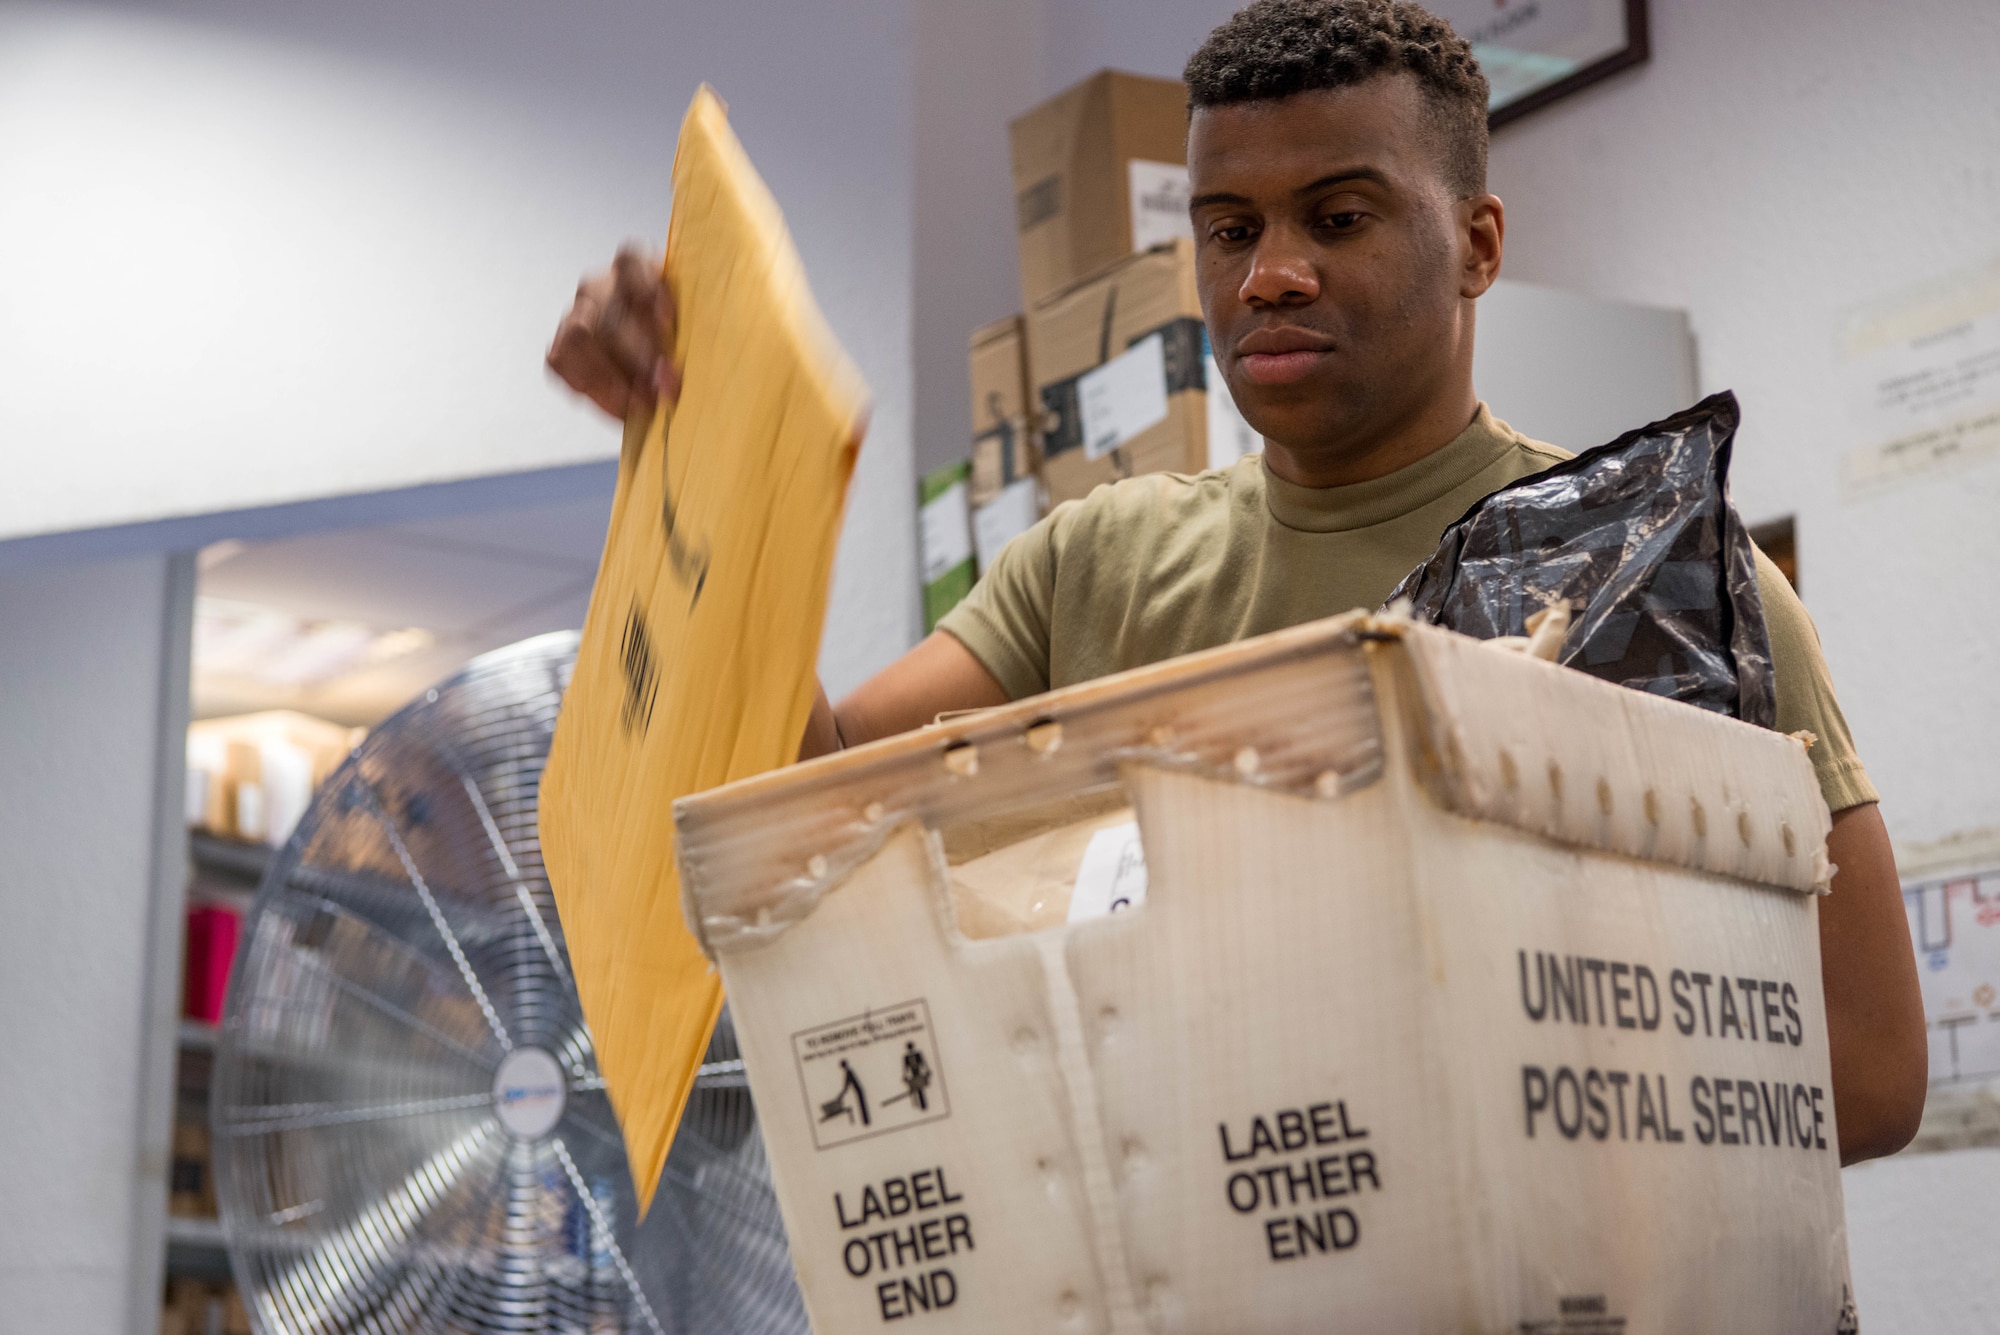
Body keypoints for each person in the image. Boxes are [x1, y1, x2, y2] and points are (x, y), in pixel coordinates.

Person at [547, 0, 1925, 1162]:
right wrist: (694, 444)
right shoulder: (1097, 563)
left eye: (1337, 217)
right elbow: (814, 802)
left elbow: (1869, 1073)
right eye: (1227, 228)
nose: (1270, 275)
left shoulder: (1655, 570)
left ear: (1482, 248)